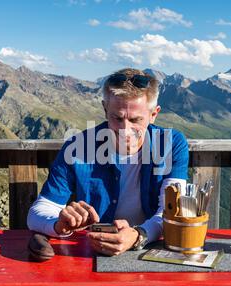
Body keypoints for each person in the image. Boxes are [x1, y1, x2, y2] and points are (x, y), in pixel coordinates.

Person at [27, 68, 189, 256]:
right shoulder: (78, 146)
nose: (125, 130)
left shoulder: (171, 144)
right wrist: (57, 224)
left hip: (150, 250)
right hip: (90, 253)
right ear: (105, 109)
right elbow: (37, 213)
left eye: (136, 120)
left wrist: (138, 235)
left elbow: (173, 211)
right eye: (117, 118)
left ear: (154, 114)